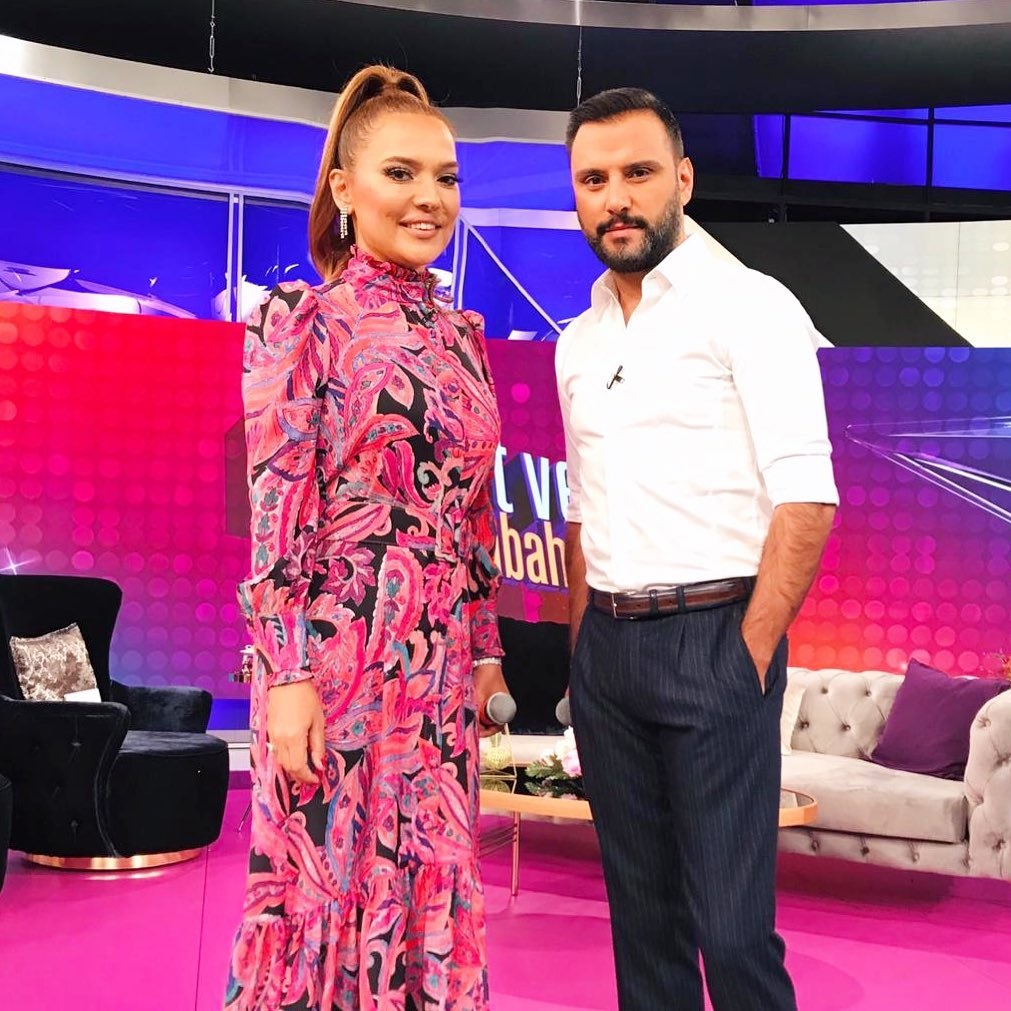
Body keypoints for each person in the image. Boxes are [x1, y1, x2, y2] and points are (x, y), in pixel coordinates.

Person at [225, 64, 509, 1011]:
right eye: (401, 173)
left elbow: (472, 519)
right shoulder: (301, 323)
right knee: (328, 881)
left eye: (446, 177)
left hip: (436, 672)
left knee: (429, 870)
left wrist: (483, 654)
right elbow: (276, 515)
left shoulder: (464, 337)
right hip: (335, 661)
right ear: (345, 189)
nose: (429, 198)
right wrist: (286, 677)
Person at [556, 88, 839, 1011]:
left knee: (732, 930)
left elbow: (806, 498)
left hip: (716, 637)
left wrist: (746, 651)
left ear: (681, 178)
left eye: (637, 172)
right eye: (593, 180)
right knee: (643, 927)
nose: (615, 198)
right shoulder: (577, 341)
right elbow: (579, 511)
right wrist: (583, 655)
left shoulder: (749, 304)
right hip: (609, 655)